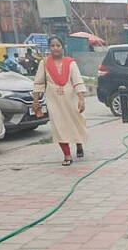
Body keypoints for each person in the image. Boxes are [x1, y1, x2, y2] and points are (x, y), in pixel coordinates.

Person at [32, 36, 87, 166]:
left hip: (71, 100)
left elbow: (78, 81)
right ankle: (67, 155)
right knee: (59, 126)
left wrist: (81, 99)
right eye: (52, 46)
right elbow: (38, 83)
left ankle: (79, 144)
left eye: (58, 45)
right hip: (54, 100)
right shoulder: (44, 63)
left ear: (63, 47)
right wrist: (36, 101)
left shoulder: (70, 62)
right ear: (49, 48)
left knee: (76, 122)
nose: (55, 48)